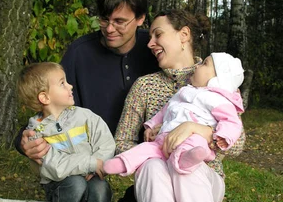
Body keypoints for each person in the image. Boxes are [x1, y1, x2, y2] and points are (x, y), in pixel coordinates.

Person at [113, 10, 246, 202]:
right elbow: (122, 143)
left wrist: (195, 130)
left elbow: (237, 142)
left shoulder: (217, 79)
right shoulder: (145, 87)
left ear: (183, 35)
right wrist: (152, 143)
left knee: (186, 170)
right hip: (158, 181)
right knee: (153, 167)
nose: (150, 42)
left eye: (158, 34)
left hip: (202, 179)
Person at [16, 0, 159, 162]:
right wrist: (22, 140)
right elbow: (48, 105)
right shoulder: (79, 53)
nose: (109, 29)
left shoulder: (155, 49)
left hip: (148, 157)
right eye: (104, 19)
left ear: (140, 18)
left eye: (119, 21)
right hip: (91, 158)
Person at [17, 62, 116, 202]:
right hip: (60, 186)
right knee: (75, 183)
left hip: (91, 177)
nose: (70, 86)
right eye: (62, 83)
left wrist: (97, 163)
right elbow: (54, 166)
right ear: (44, 97)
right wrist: (89, 164)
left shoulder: (85, 116)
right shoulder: (37, 132)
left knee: (101, 187)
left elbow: (106, 143)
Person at [103, 52, 244, 176]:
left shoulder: (219, 100)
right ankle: (123, 162)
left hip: (194, 145)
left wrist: (218, 136)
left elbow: (232, 124)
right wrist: (151, 126)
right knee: (146, 149)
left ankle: (185, 160)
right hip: (163, 142)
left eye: (158, 34)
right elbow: (166, 109)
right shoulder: (183, 91)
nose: (198, 66)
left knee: (196, 144)